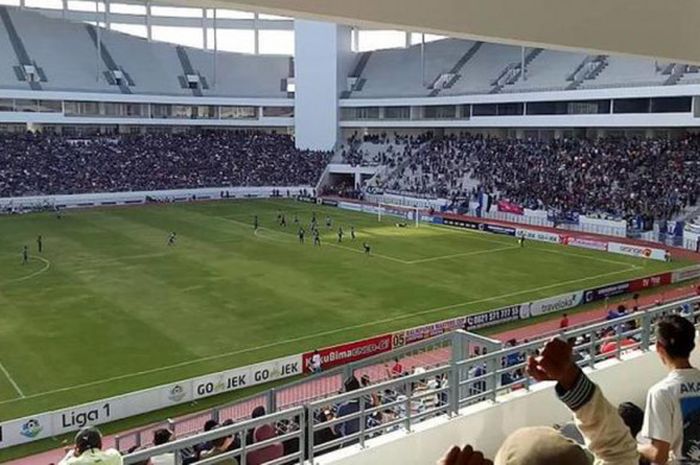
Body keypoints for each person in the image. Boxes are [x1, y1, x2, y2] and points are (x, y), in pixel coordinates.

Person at [639, 314, 700, 465]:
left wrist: (633, 446)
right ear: (692, 345)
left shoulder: (661, 392)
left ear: (659, 347)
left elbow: (659, 455)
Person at [58, 427, 122, 465]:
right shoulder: (114, 455)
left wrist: (70, 454)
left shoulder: (72, 463)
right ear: (100, 444)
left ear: (77, 448)